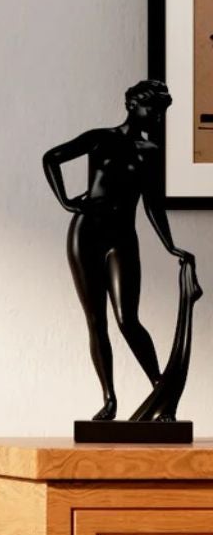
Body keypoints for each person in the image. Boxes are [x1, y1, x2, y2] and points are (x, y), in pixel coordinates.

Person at [42, 79, 200, 422]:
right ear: (132, 105)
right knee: (96, 320)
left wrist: (170, 245)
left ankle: (159, 388)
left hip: (122, 237)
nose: (157, 117)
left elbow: (153, 203)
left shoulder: (151, 151)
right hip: (86, 234)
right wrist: (66, 201)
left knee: (127, 319)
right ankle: (109, 399)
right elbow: (51, 158)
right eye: (153, 109)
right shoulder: (100, 138)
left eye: (161, 112)